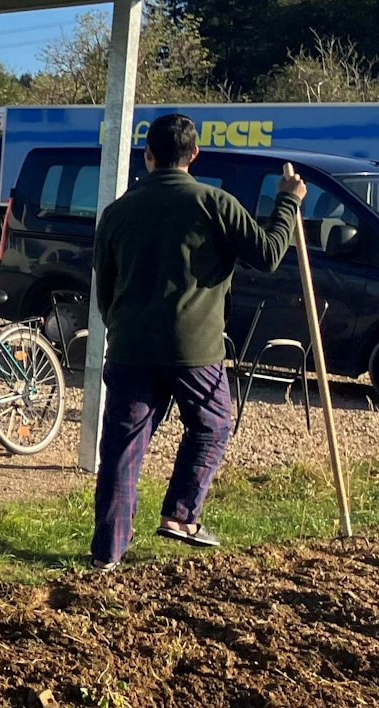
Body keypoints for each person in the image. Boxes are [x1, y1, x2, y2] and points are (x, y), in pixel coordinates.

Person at [90, 114, 305, 570]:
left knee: (122, 448)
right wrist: (288, 203)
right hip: (194, 349)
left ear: (148, 156)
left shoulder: (116, 212)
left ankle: (107, 554)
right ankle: (181, 515)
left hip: (130, 346)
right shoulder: (215, 203)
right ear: (194, 155)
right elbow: (267, 254)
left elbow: (103, 288)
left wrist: (119, 325)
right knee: (212, 424)